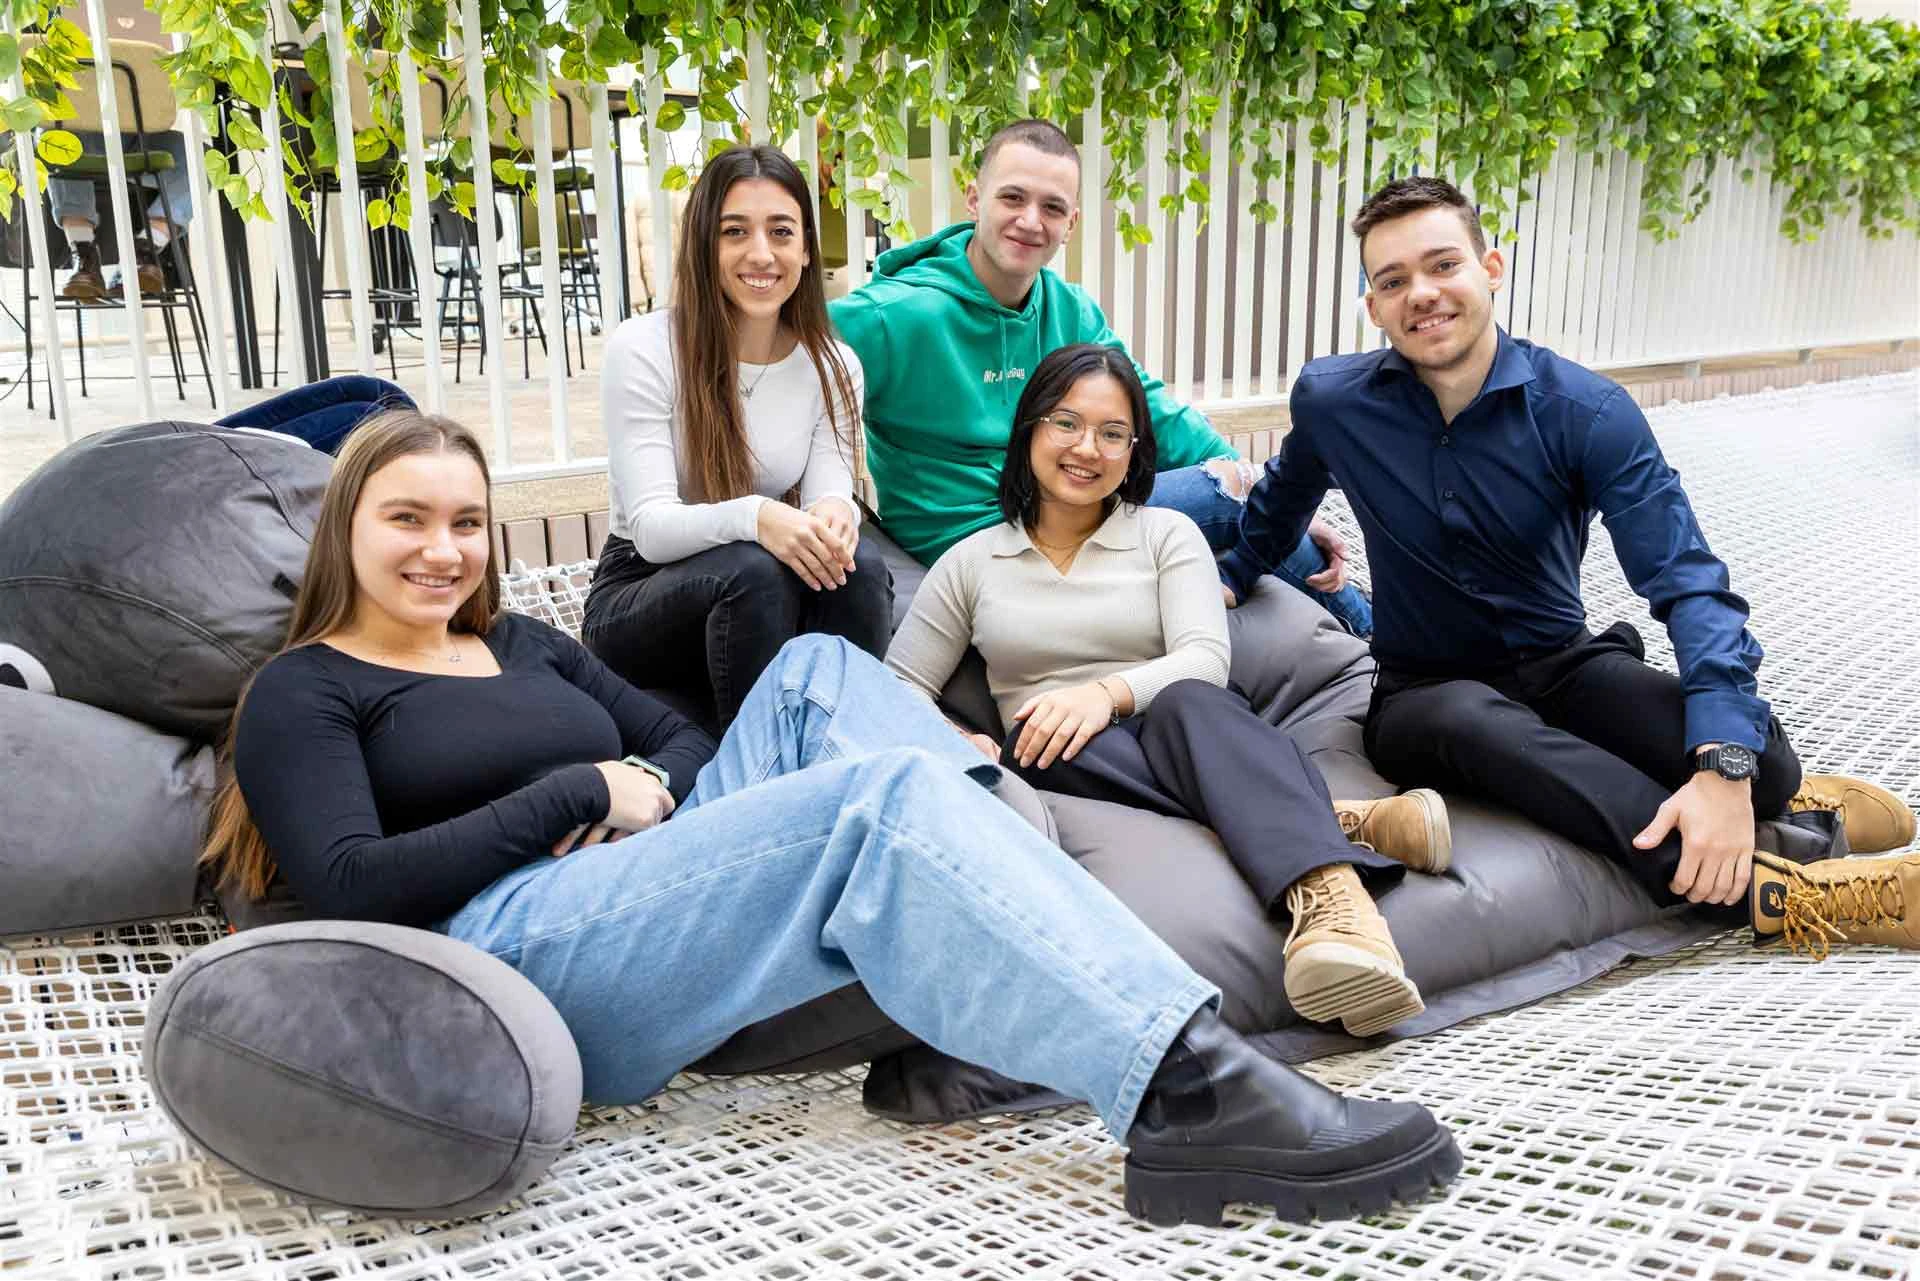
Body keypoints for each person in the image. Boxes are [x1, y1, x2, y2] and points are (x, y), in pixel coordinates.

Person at [198, 409, 1463, 1226]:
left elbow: (683, 747)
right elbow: (357, 883)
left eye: (467, 522)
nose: (443, 550)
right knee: (885, 795)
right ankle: (1186, 1089)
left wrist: (651, 800)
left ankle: (985, 912)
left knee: (815, 672)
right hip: (518, 947)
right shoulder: (306, 691)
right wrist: (580, 793)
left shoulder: (522, 643)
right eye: (407, 520)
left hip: (648, 879)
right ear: (347, 530)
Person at [1220, 175, 1919, 957]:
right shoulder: (1333, 402)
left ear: (1491, 268)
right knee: (1472, 722)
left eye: (1443, 265)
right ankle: (1790, 890)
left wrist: (1724, 767)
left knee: (1766, 760)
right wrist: (1234, 572)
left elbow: (1689, 581)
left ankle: (1784, 799)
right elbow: (1281, 499)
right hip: (1425, 696)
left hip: (1560, 664)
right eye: (1393, 281)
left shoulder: (1587, 411)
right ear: (1375, 306)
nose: (1421, 293)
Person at [887, 343, 1450, 1038]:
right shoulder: (971, 562)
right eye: (1066, 423)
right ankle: (1330, 821)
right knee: (1035, 737)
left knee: (1189, 697)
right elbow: (899, 683)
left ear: (1135, 452)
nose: (1086, 448)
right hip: (1064, 755)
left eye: (1112, 433)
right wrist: (955, 738)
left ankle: (1337, 909)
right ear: (1030, 429)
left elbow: (1204, 659)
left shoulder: (1166, 534)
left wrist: (1104, 693)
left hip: (1187, 726)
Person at [829, 118, 1374, 638]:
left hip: (1056, 513)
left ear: (1071, 223)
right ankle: (1373, 635)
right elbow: (791, 357)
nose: (1030, 221)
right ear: (974, 199)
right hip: (972, 543)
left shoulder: (1069, 310)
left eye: (1052, 207)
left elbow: (1149, 408)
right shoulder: (892, 314)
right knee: (1230, 495)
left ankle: (1368, 636)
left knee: (1240, 491)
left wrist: (1278, 503)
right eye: (1012, 198)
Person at [584, 145, 891, 729]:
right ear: (705, 243)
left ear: (806, 248)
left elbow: (830, 490)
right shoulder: (645, 348)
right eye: (735, 232)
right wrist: (757, 515)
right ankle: (760, 770)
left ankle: (850, 747)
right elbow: (650, 528)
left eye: (781, 232)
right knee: (755, 570)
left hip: (759, 592)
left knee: (861, 569)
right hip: (640, 593)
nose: (761, 254)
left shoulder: (833, 364)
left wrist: (835, 515)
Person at [50, 129, 194, 300]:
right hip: (73, 136)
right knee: (58, 137)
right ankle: (84, 256)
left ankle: (143, 251)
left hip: (130, 136)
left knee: (200, 158)